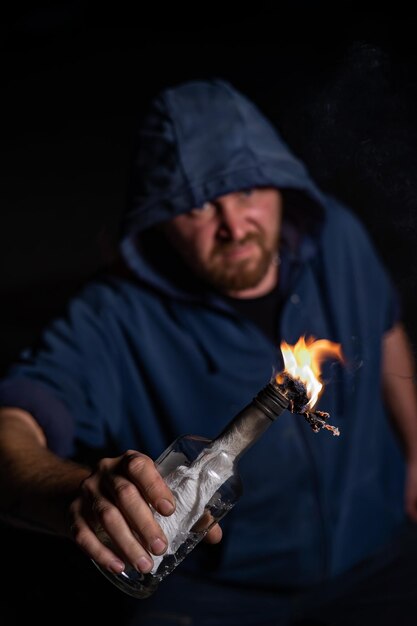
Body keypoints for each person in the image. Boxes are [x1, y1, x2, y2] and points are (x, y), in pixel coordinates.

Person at [1, 78, 417, 626]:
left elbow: (386, 334)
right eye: (196, 207)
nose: (233, 227)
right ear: (157, 219)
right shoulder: (113, 315)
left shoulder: (334, 235)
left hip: (379, 555)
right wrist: (77, 493)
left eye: (248, 191)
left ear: (280, 185)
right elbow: (11, 427)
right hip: (214, 596)